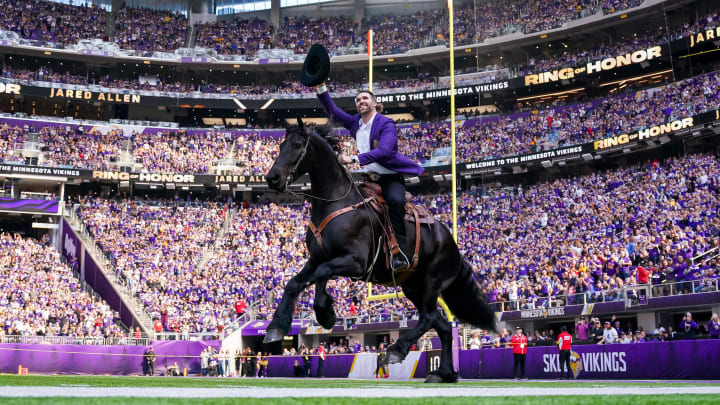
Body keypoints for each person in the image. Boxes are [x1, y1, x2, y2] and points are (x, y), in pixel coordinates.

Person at [315, 82, 424, 271]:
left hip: (389, 178)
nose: (360, 102)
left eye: (364, 98)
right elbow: (332, 111)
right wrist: (321, 87)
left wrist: (353, 158)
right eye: (358, 100)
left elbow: (384, 151)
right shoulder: (355, 123)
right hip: (368, 178)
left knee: (395, 202)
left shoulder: (386, 123)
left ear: (374, 103)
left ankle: (401, 253)